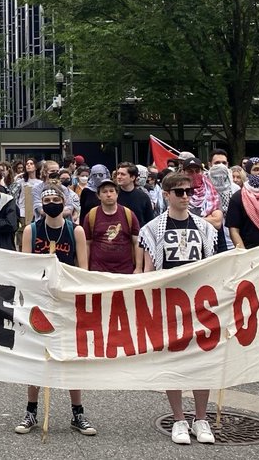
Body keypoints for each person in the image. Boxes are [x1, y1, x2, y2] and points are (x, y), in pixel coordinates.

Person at [139, 171, 217, 445]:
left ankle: (201, 418)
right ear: (167, 194)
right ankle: (179, 419)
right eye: (180, 192)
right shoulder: (150, 230)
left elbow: (214, 267)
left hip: (200, 302)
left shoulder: (207, 229)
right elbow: (149, 268)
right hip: (168, 302)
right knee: (172, 360)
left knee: (202, 360)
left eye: (189, 191)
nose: (186, 197)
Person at [15, 186, 96, 437]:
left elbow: (82, 268)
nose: (51, 203)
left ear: (64, 202)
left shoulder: (76, 230)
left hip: (66, 300)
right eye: (47, 200)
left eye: (56, 199)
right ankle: (31, 411)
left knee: (71, 357)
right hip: (40, 300)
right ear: (41, 203)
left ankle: (78, 413)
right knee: (37, 357)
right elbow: (25, 267)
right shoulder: (32, 230)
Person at [82, 178, 140, 274]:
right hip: (98, 272)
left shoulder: (128, 214)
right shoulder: (91, 215)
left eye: (111, 191)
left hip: (125, 271)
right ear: (98, 195)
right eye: (104, 192)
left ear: (117, 194)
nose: (109, 195)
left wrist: (138, 268)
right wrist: (85, 268)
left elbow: (137, 242)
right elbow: (87, 244)